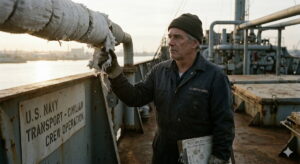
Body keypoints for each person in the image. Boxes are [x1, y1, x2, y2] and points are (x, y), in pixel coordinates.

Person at [98, 13, 234, 164]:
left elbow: (224, 123)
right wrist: (115, 71)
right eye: (170, 36)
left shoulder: (215, 77)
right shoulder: (160, 71)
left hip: (197, 157)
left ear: (195, 43)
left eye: (177, 37)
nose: (170, 42)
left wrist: (219, 157)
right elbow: (135, 97)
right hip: (163, 154)